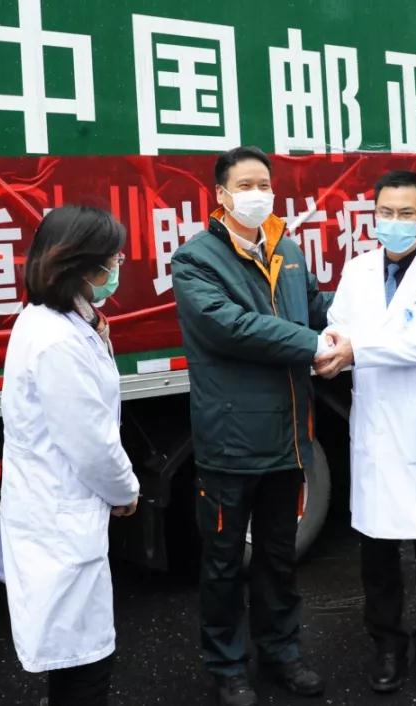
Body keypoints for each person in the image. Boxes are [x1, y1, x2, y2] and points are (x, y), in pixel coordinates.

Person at [171, 146, 334, 706]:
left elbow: (316, 308)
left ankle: (282, 653)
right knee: (223, 563)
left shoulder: (287, 248)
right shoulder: (195, 260)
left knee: (278, 557)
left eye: (263, 183)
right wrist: (314, 344)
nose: (256, 194)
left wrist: (362, 321)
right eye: (244, 185)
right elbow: (231, 327)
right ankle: (227, 665)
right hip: (231, 443)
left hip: (289, 439)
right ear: (220, 194)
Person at [317, 170, 416, 694]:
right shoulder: (358, 269)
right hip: (377, 425)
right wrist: (330, 347)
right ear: (374, 215)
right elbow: (338, 322)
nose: (395, 222)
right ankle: (387, 645)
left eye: (406, 213)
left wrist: (356, 350)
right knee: (377, 548)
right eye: (386, 212)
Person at [0, 206, 141, 705]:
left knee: (72, 653)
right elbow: (91, 442)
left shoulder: (56, 321)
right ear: (82, 265)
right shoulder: (58, 340)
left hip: (55, 511)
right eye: (113, 258)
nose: (117, 267)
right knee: (84, 660)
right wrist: (126, 491)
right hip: (61, 518)